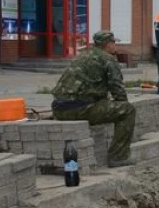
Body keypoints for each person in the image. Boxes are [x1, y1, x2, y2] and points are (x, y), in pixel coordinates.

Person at [51, 31, 136, 168]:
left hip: (58, 109)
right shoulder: (108, 59)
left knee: (104, 103)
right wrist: (119, 104)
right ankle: (118, 157)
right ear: (108, 44)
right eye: (114, 43)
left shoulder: (83, 56)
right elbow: (118, 92)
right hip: (80, 109)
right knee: (127, 110)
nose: (116, 46)